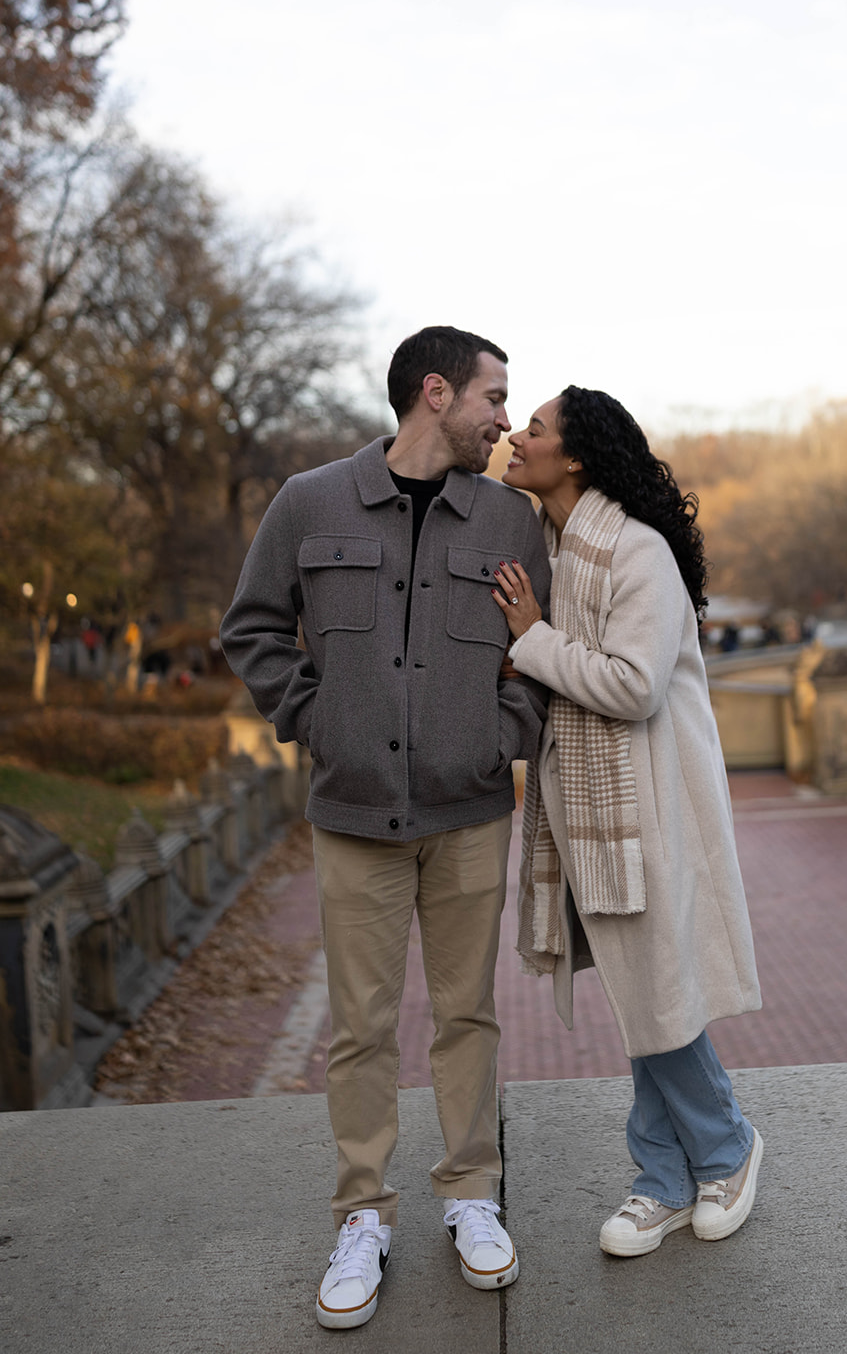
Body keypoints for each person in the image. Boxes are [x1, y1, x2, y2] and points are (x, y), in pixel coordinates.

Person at [220, 327, 552, 1329]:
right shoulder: (308, 501)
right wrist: (317, 721)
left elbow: (538, 654)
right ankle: (361, 1215)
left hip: (468, 814)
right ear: (434, 392)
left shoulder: (509, 519)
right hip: (354, 816)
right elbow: (251, 628)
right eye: (495, 397)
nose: (504, 418)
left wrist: (502, 739)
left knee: (466, 1015)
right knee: (359, 1028)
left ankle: (469, 1195)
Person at [491, 385, 763, 1259]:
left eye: (533, 428)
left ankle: (720, 1148)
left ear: (573, 457)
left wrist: (531, 638)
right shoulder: (558, 546)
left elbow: (632, 684)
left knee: (654, 987)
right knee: (639, 988)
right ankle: (667, 1179)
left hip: (649, 805)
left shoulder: (634, 551)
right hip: (590, 812)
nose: (517, 437)